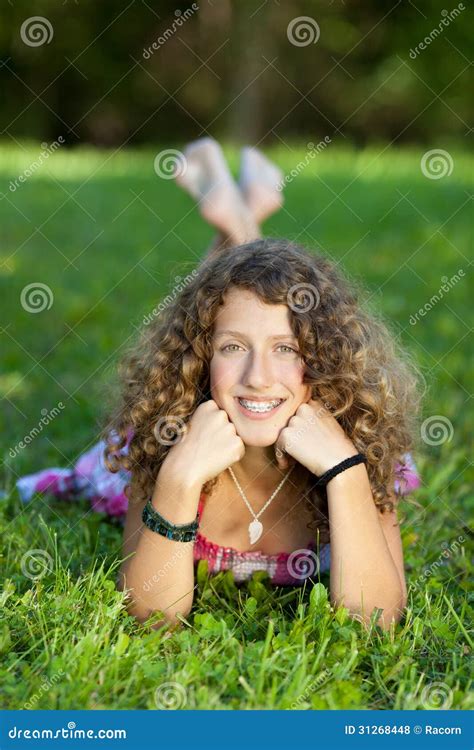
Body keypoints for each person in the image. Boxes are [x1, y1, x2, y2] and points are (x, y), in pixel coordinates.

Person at [16, 138, 421, 632]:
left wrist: (345, 472)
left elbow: (373, 621)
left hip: (338, 453)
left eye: (287, 349)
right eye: (231, 348)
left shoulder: (361, 449)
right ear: (202, 358)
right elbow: (151, 616)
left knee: (242, 297)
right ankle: (242, 215)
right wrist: (179, 479)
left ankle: (239, 217)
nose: (258, 377)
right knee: (224, 304)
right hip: (185, 441)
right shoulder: (164, 438)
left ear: (326, 361)